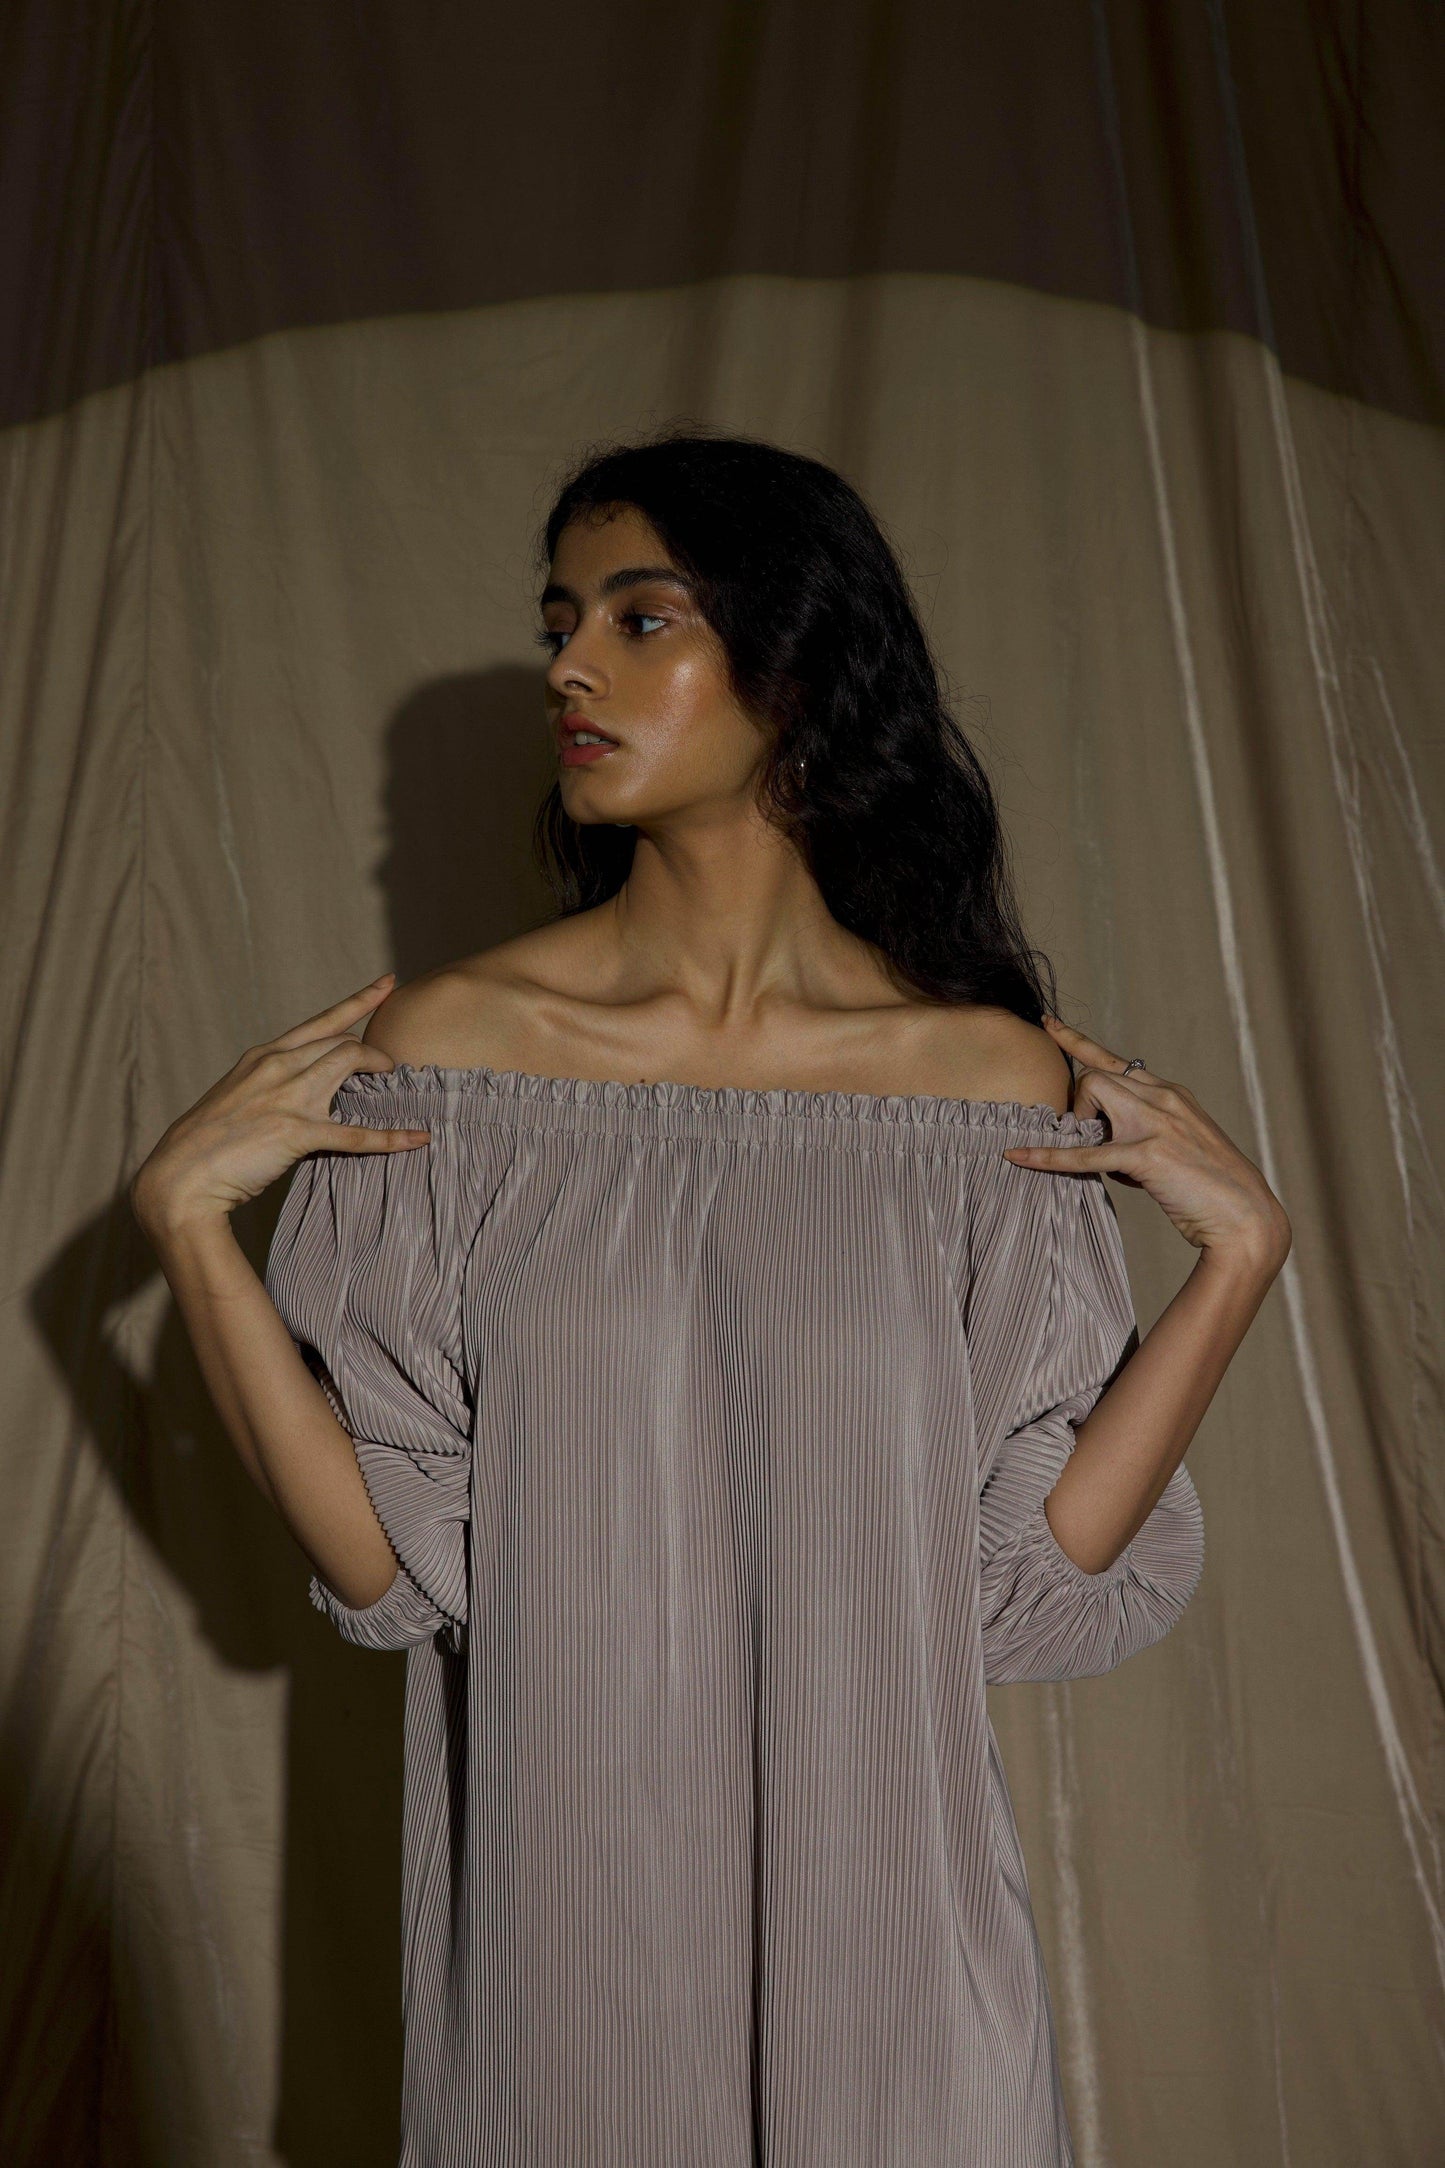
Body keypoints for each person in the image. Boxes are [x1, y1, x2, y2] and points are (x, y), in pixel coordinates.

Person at [131, 428, 1290, 2166]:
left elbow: (1017, 1582)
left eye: (639, 617)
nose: (568, 668)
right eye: (558, 624)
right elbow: (385, 1566)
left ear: (797, 662)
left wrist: (1237, 1268)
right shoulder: (451, 1061)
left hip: (902, 2005)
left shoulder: (982, 1087)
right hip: (566, 1995)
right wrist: (186, 1228)